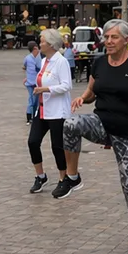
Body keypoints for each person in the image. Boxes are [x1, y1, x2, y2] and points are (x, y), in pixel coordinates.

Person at [58, 20, 128, 254]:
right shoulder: (100, 62)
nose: (109, 41)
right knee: (71, 123)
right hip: (102, 124)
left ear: (126, 40)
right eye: (106, 37)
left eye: (114, 37)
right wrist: (82, 98)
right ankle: (72, 177)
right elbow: (93, 91)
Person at [28, 29, 73, 195]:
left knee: (57, 147)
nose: (40, 44)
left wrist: (46, 89)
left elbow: (67, 85)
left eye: (42, 41)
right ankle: (40, 176)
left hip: (57, 112)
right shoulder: (44, 60)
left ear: (52, 44)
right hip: (41, 110)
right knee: (33, 142)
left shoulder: (61, 62)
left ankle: (63, 178)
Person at [22, 40, 41, 123]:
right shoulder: (29, 58)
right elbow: (24, 66)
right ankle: (29, 117)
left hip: (37, 82)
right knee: (32, 100)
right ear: (35, 48)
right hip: (30, 83)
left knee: (36, 101)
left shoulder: (39, 57)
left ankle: (34, 116)